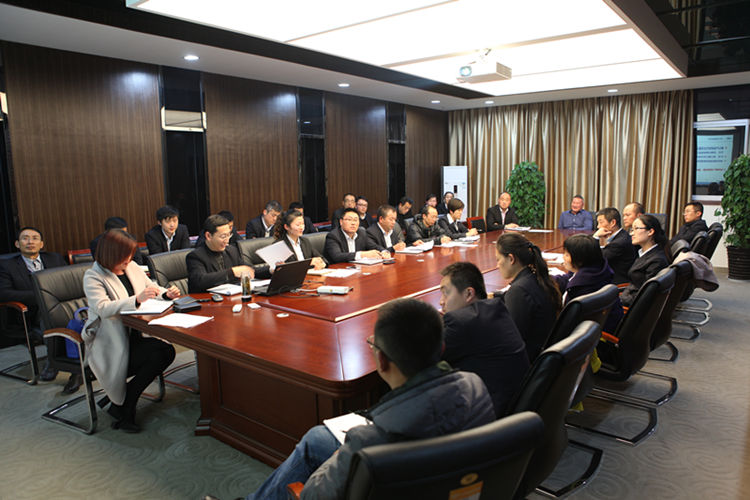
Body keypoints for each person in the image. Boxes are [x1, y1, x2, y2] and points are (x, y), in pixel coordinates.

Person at [244, 298, 495, 500]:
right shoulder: (475, 385)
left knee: (316, 444)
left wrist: (341, 455)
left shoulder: (369, 442)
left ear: (381, 361)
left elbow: (312, 494)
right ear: (441, 348)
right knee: (318, 438)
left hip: (400, 476)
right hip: (459, 484)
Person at [82, 229, 178, 433]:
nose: (129, 260)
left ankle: (123, 404)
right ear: (110, 254)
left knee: (167, 351)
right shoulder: (93, 276)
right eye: (124, 256)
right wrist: (136, 299)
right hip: (110, 343)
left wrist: (166, 294)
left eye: (130, 255)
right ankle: (126, 407)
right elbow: (102, 308)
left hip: (136, 334)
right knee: (158, 354)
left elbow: (151, 287)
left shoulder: (131, 266)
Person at [439, 262, 529, 416]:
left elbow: (421, 359)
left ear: (469, 294)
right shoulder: (495, 309)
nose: (441, 301)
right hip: (515, 408)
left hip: (490, 415)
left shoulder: (462, 323)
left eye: (446, 293)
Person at [0, 226, 69, 384]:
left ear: (41, 244)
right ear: (17, 244)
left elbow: (67, 281)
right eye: (25, 238)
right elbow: (4, 293)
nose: (30, 242)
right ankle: (54, 361)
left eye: (35, 238)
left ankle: (81, 360)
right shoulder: (7, 265)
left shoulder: (55, 259)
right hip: (29, 312)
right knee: (49, 315)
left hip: (60, 306)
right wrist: (40, 296)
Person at [495, 233, 562, 362]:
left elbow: (510, 340)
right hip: (543, 356)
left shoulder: (519, 291)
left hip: (527, 362)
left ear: (511, 259)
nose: (497, 265)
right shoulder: (537, 278)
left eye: (498, 259)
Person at [554, 234, 624, 333]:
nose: (563, 257)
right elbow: (568, 278)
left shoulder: (583, 288)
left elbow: (568, 324)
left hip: (591, 337)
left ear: (580, 260)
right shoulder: (596, 271)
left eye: (566, 255)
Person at [188, 214, 270, 293]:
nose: (227, 240)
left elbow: (249, 270)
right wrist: (232, 272)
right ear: (208, 236)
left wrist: (271, 270)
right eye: (223, 236)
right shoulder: (195, 256)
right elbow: (200, 280)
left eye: (229, 235)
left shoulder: (231, 251)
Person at [620, 214, 670, 307]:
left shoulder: (657, 261)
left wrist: (618, 300)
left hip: (632, 306)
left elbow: (644, 296)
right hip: (627, 297)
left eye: (636, 229)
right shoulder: (644, 253)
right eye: (631, 230)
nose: (631, 233)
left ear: (650, 232)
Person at [324, 209, 389, 263]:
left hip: (357, 268)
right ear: (341, 222)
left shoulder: (361, 233)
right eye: (349, 220)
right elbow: (337, 256)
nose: (353, 223)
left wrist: (384, 252)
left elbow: (373, 245)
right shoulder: (333, 236)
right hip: (338, 269)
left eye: (355, 220)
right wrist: (362, 255)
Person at [592, 207, 637, 284]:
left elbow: (597, 259)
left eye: (601, 222)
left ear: (613, 222)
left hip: (616, 282)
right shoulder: (621, 235)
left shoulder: (620, 242)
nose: (598, 226)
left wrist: (595, 237)